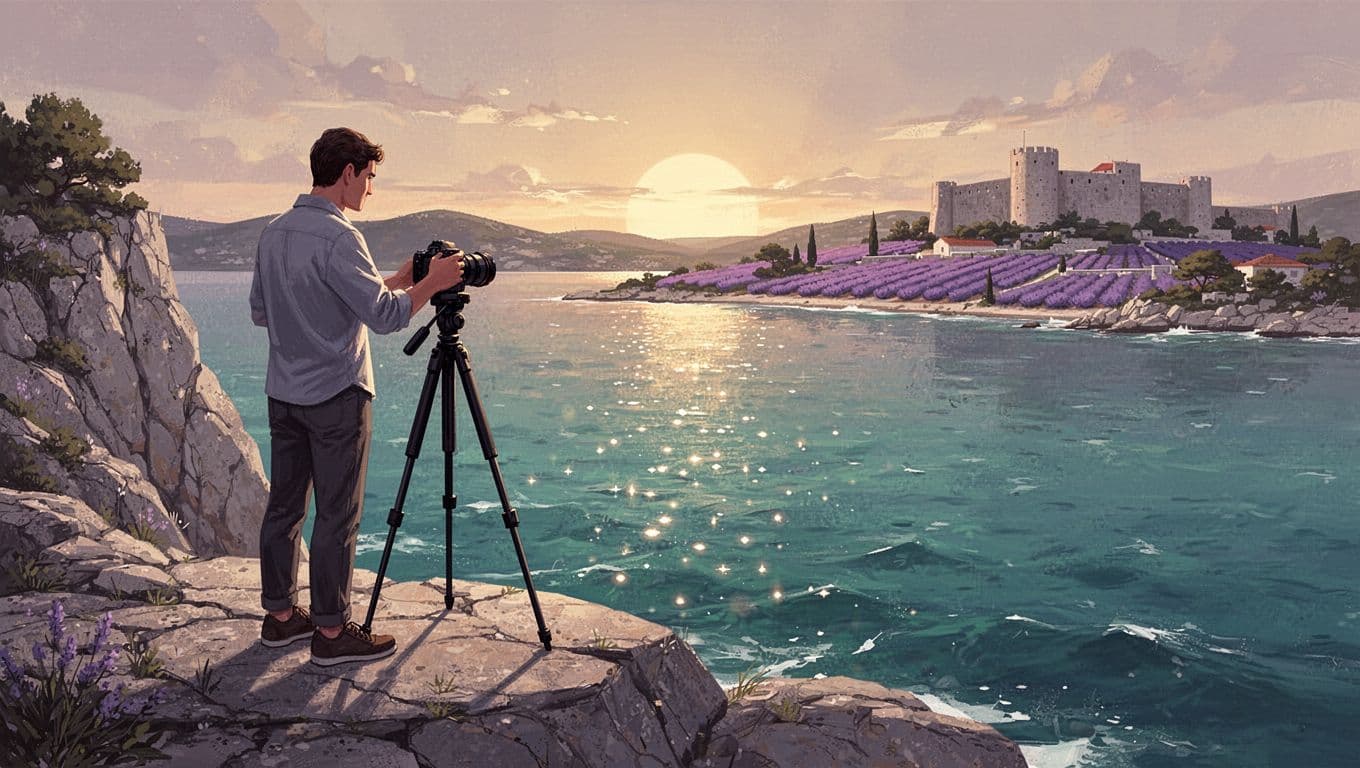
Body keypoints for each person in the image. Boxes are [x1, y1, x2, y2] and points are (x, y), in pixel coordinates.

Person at [249, 127, 464, 666]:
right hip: (337, 396)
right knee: (336, 516)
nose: (370, 189)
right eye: (369, 177)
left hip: (285, 394)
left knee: (285, 507)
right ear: (348, 172)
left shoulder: (273, 233)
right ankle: (329, 633)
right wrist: (432, 284)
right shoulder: (342, 237)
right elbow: (388, 317)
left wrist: (399, 279)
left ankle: (280, 619)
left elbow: (263, 311)